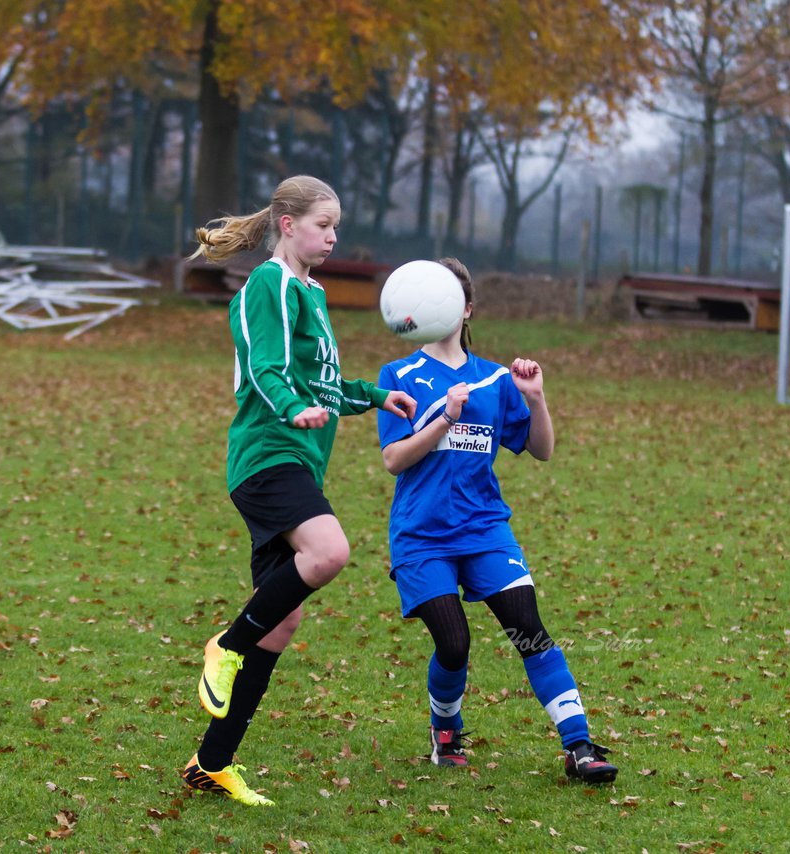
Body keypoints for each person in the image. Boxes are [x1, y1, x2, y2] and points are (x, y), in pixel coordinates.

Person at [179, 176, 417, 807]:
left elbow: (321, 378)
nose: (333, 236)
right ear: (288, 224)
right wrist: (289, 408)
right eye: (323, 224)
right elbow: (267, 366)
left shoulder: (310, 290)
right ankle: (224, 646)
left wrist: (370, 396)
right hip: (266, 455)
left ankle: (211, 763)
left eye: (336, 225)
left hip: (298, 461)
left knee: (281, 622)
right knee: (330, 552)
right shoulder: (271, 284)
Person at [375, 258, 618, 784]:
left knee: (529, 631)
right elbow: (394, 459)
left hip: (484, 529)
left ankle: (578, 746)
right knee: (453, 643)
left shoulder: (495, 378)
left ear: (466, 308)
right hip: (422, 535)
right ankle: (446, 727)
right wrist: (443, 417)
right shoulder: (398, 375)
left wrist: (536, 398)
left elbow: (541, 450)